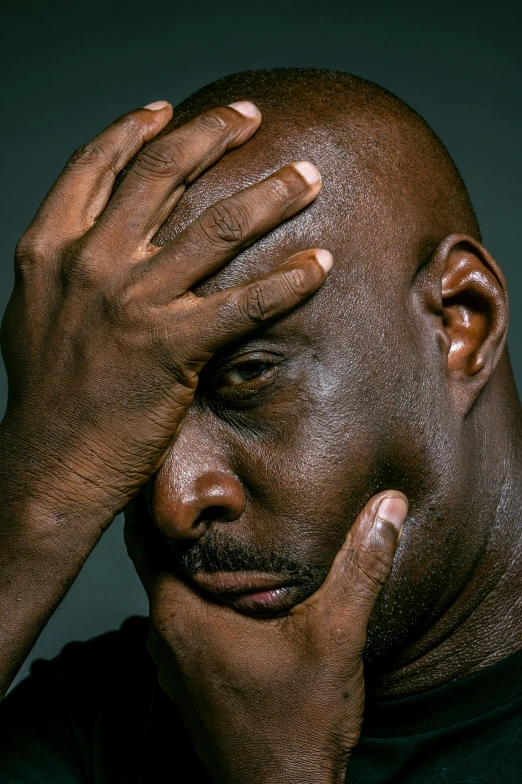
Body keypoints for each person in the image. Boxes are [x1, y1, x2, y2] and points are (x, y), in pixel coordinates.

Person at [0, 66, 520, 783]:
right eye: (125, 421)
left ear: (463, 324)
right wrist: (38, 495)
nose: (174, 503)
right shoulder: (100, 713)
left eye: (248, 377)